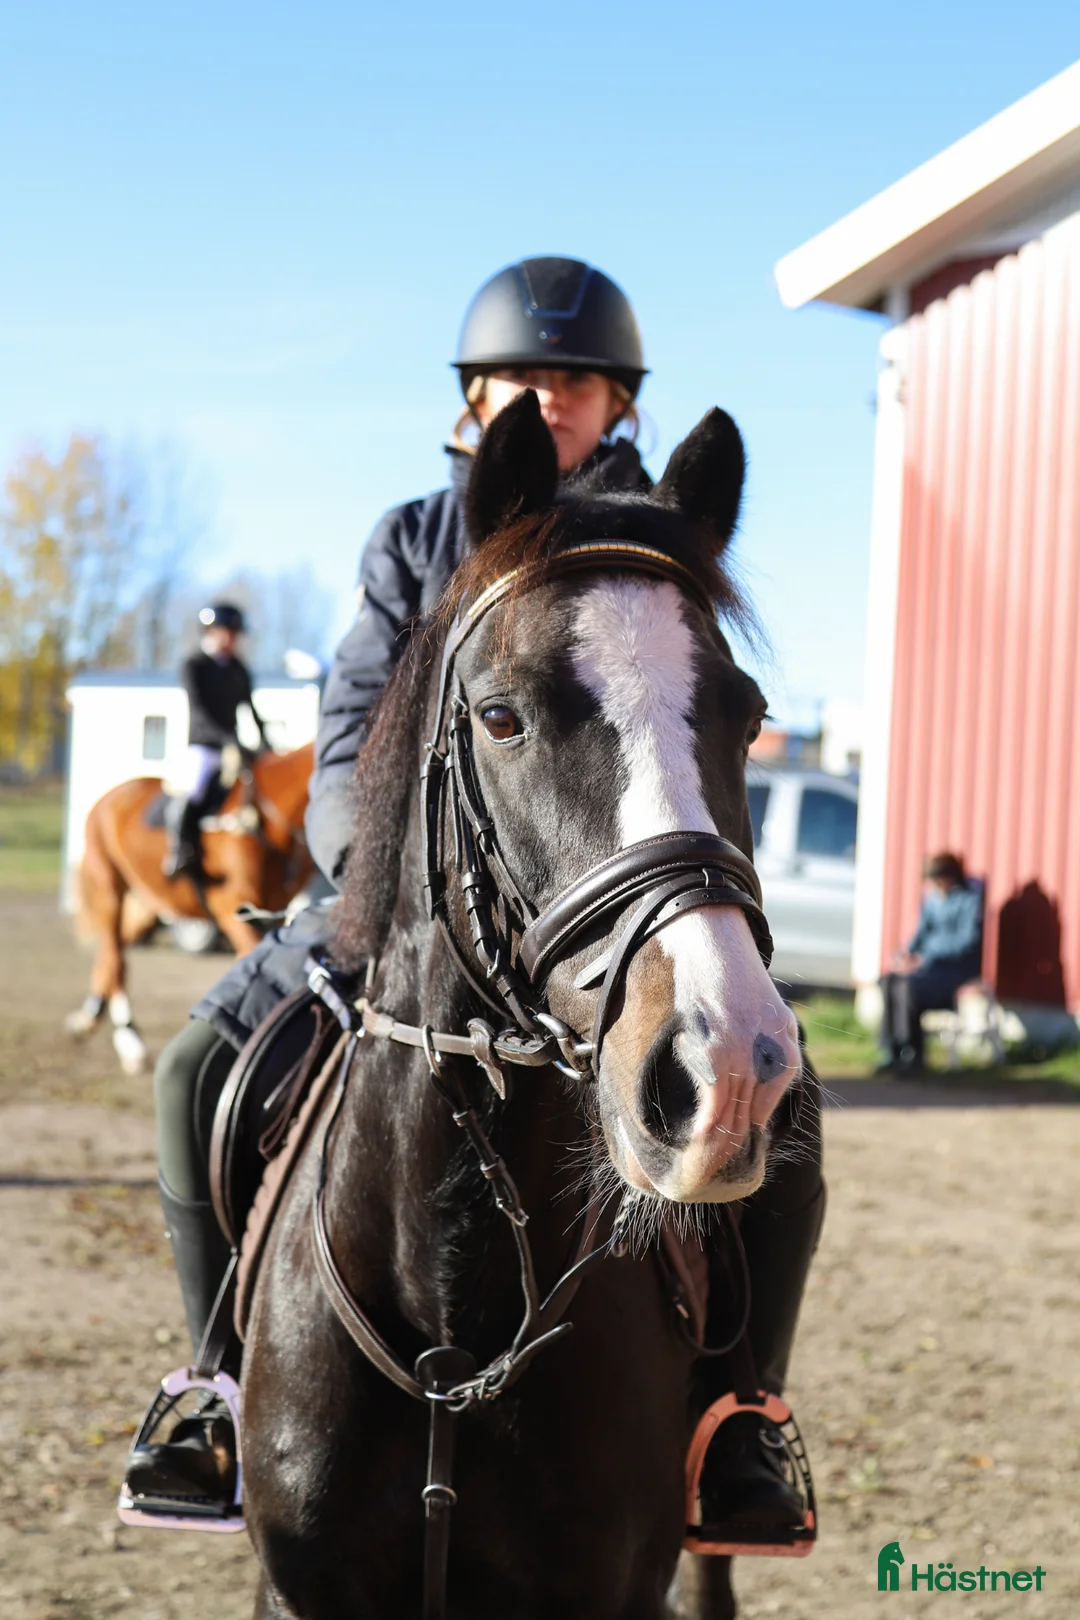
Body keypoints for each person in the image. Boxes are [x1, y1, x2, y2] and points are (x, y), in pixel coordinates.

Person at [122, 257, 825, 1549]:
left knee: (785, 1104)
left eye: (577, 378)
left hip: (588, 921)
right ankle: (217, 1384)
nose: (547, 395)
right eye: (523, 376)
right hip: (390, 902)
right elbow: (346, 734)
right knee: (193, 1069)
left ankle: (737, 1413)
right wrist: (369, 887)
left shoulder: (652, 547)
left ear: (618, 404)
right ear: (477, 399)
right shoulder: (412, 539)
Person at [162, 603, 269, 879]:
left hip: (232, 746)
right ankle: (179, 850)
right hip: (203, 745)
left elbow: (251, 709)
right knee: (195, 786)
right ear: (211, 632)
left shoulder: (238, 669)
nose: (233, 639)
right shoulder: (194, 666)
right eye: (228, 632)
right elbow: (199, 710)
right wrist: (227, 739)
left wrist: (265, 743)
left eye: (236, 634)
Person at [878, 852, 984, 1074]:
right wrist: (905, 954)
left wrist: (927, 955)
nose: (934, 884)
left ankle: (913, 1053)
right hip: (927, 968)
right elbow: (920, 934)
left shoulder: (969, 898)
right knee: (889, 980)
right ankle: (891, 1049)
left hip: (954, 969)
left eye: (937, 879)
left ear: (950, 876)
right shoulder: (932, 898)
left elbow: (966, 941)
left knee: (909, 987)